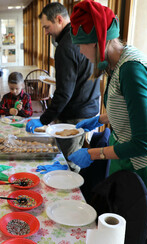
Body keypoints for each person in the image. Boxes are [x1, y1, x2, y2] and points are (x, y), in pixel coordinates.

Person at [67, 0, 147, 224]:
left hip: (145, 161)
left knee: (132, 225)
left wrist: (91, 154)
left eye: (83, 44)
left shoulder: (131, 69)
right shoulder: (117, 63)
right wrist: (99, 119)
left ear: (100, 41)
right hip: (128, 152)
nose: (80, 51)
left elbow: (144, 143)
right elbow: (132, 111)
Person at [26, 2, 100, 168]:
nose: (45, 32)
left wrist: (44, 119)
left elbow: (64, 92)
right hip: (88, 106)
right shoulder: (79, 38)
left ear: (59, 19)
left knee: (69, 162)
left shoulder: (66, 46)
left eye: (47, 27)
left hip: (76, 113)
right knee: (72, 158)